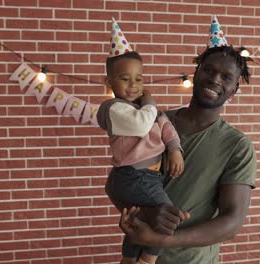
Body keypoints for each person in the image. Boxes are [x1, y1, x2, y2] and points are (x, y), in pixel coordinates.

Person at [119, 15, 257, 263]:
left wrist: (163, 240)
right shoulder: (152, 123)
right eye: (209, 70)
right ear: (196, 73)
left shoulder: (237, 146)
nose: (215, 79)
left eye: (226, 77)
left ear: (234, 89)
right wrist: (140, 211)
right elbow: (117, 182)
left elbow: (232, 221)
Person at [97, 18, 186, 264]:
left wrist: (175, 149)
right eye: (125, 79)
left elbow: (166, 126)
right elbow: (142, 124)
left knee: (140, 219)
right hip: (133, 175)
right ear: (110, 82)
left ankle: (128, 259)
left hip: (148, 176)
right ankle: (147, 260)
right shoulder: (114, 108)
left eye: (139, 78)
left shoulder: (147, 109)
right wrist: (151, 103)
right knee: (166, 216)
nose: (134, 85)